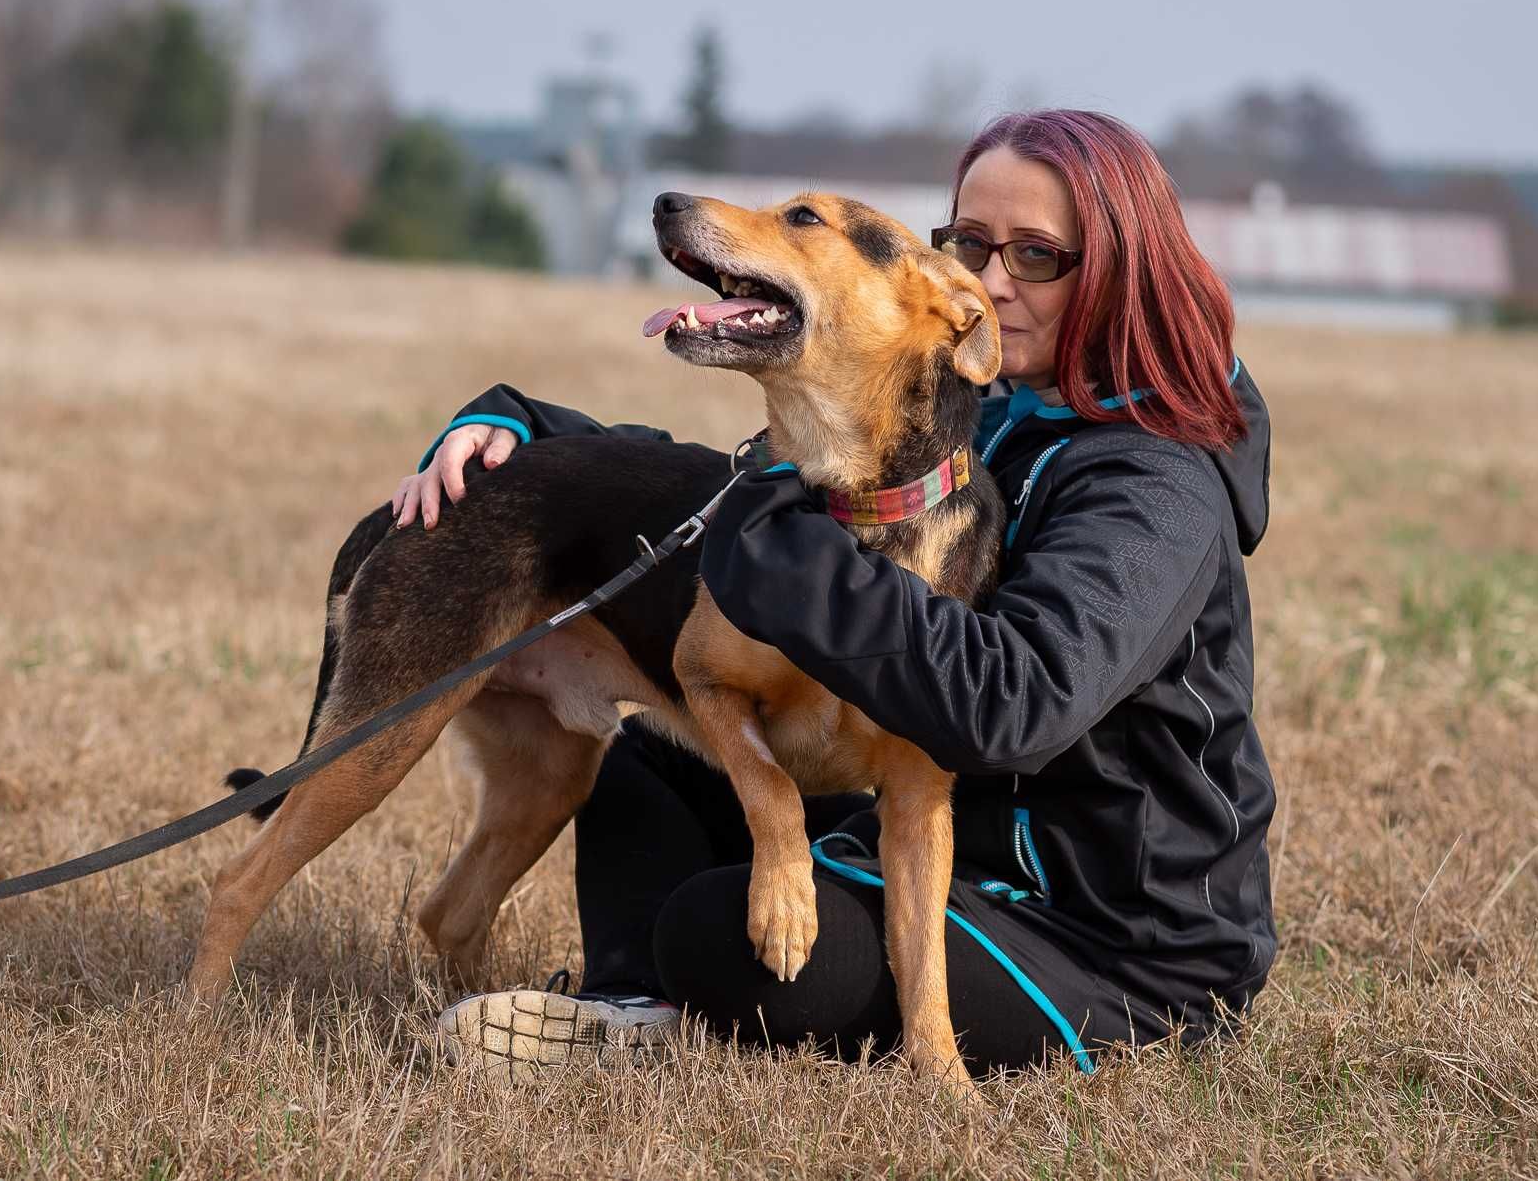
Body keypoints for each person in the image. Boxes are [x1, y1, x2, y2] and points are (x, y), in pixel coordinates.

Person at [399, 110, 1276, 1083]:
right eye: (969, 244)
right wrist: (533, 431)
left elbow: (1017, 703)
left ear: (1119, 270)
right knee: (656, 740)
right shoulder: (987, 396)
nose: (988, 282)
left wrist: (792, 566)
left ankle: (665, 1006)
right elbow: (767, 478)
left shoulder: (1160, 483)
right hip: (925, 836)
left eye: (1036, 255)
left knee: (708, 928)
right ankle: (628, 1002)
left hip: (1100, 935)